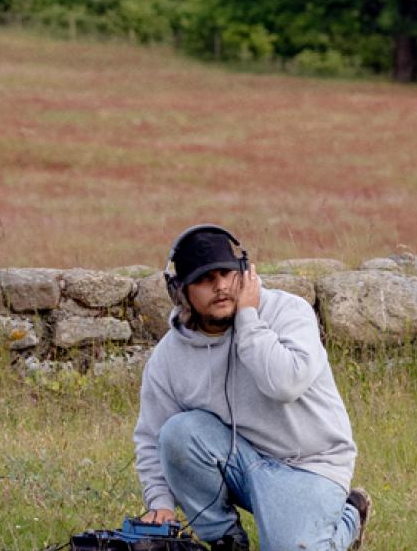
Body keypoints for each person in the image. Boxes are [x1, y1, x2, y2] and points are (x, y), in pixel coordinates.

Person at [132, 225, 371, 551]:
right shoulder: (168, 356)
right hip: (241, 462)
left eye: (226, 274)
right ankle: (225, 540)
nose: (219, 287)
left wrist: (248, 317)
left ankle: (350, 516)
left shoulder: (289, 312)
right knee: (178, 432)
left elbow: (285, 384)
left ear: (245, 274)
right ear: (180, 292)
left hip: (311, 465)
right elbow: (152, 436)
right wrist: (159, 501)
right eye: (204, 279)